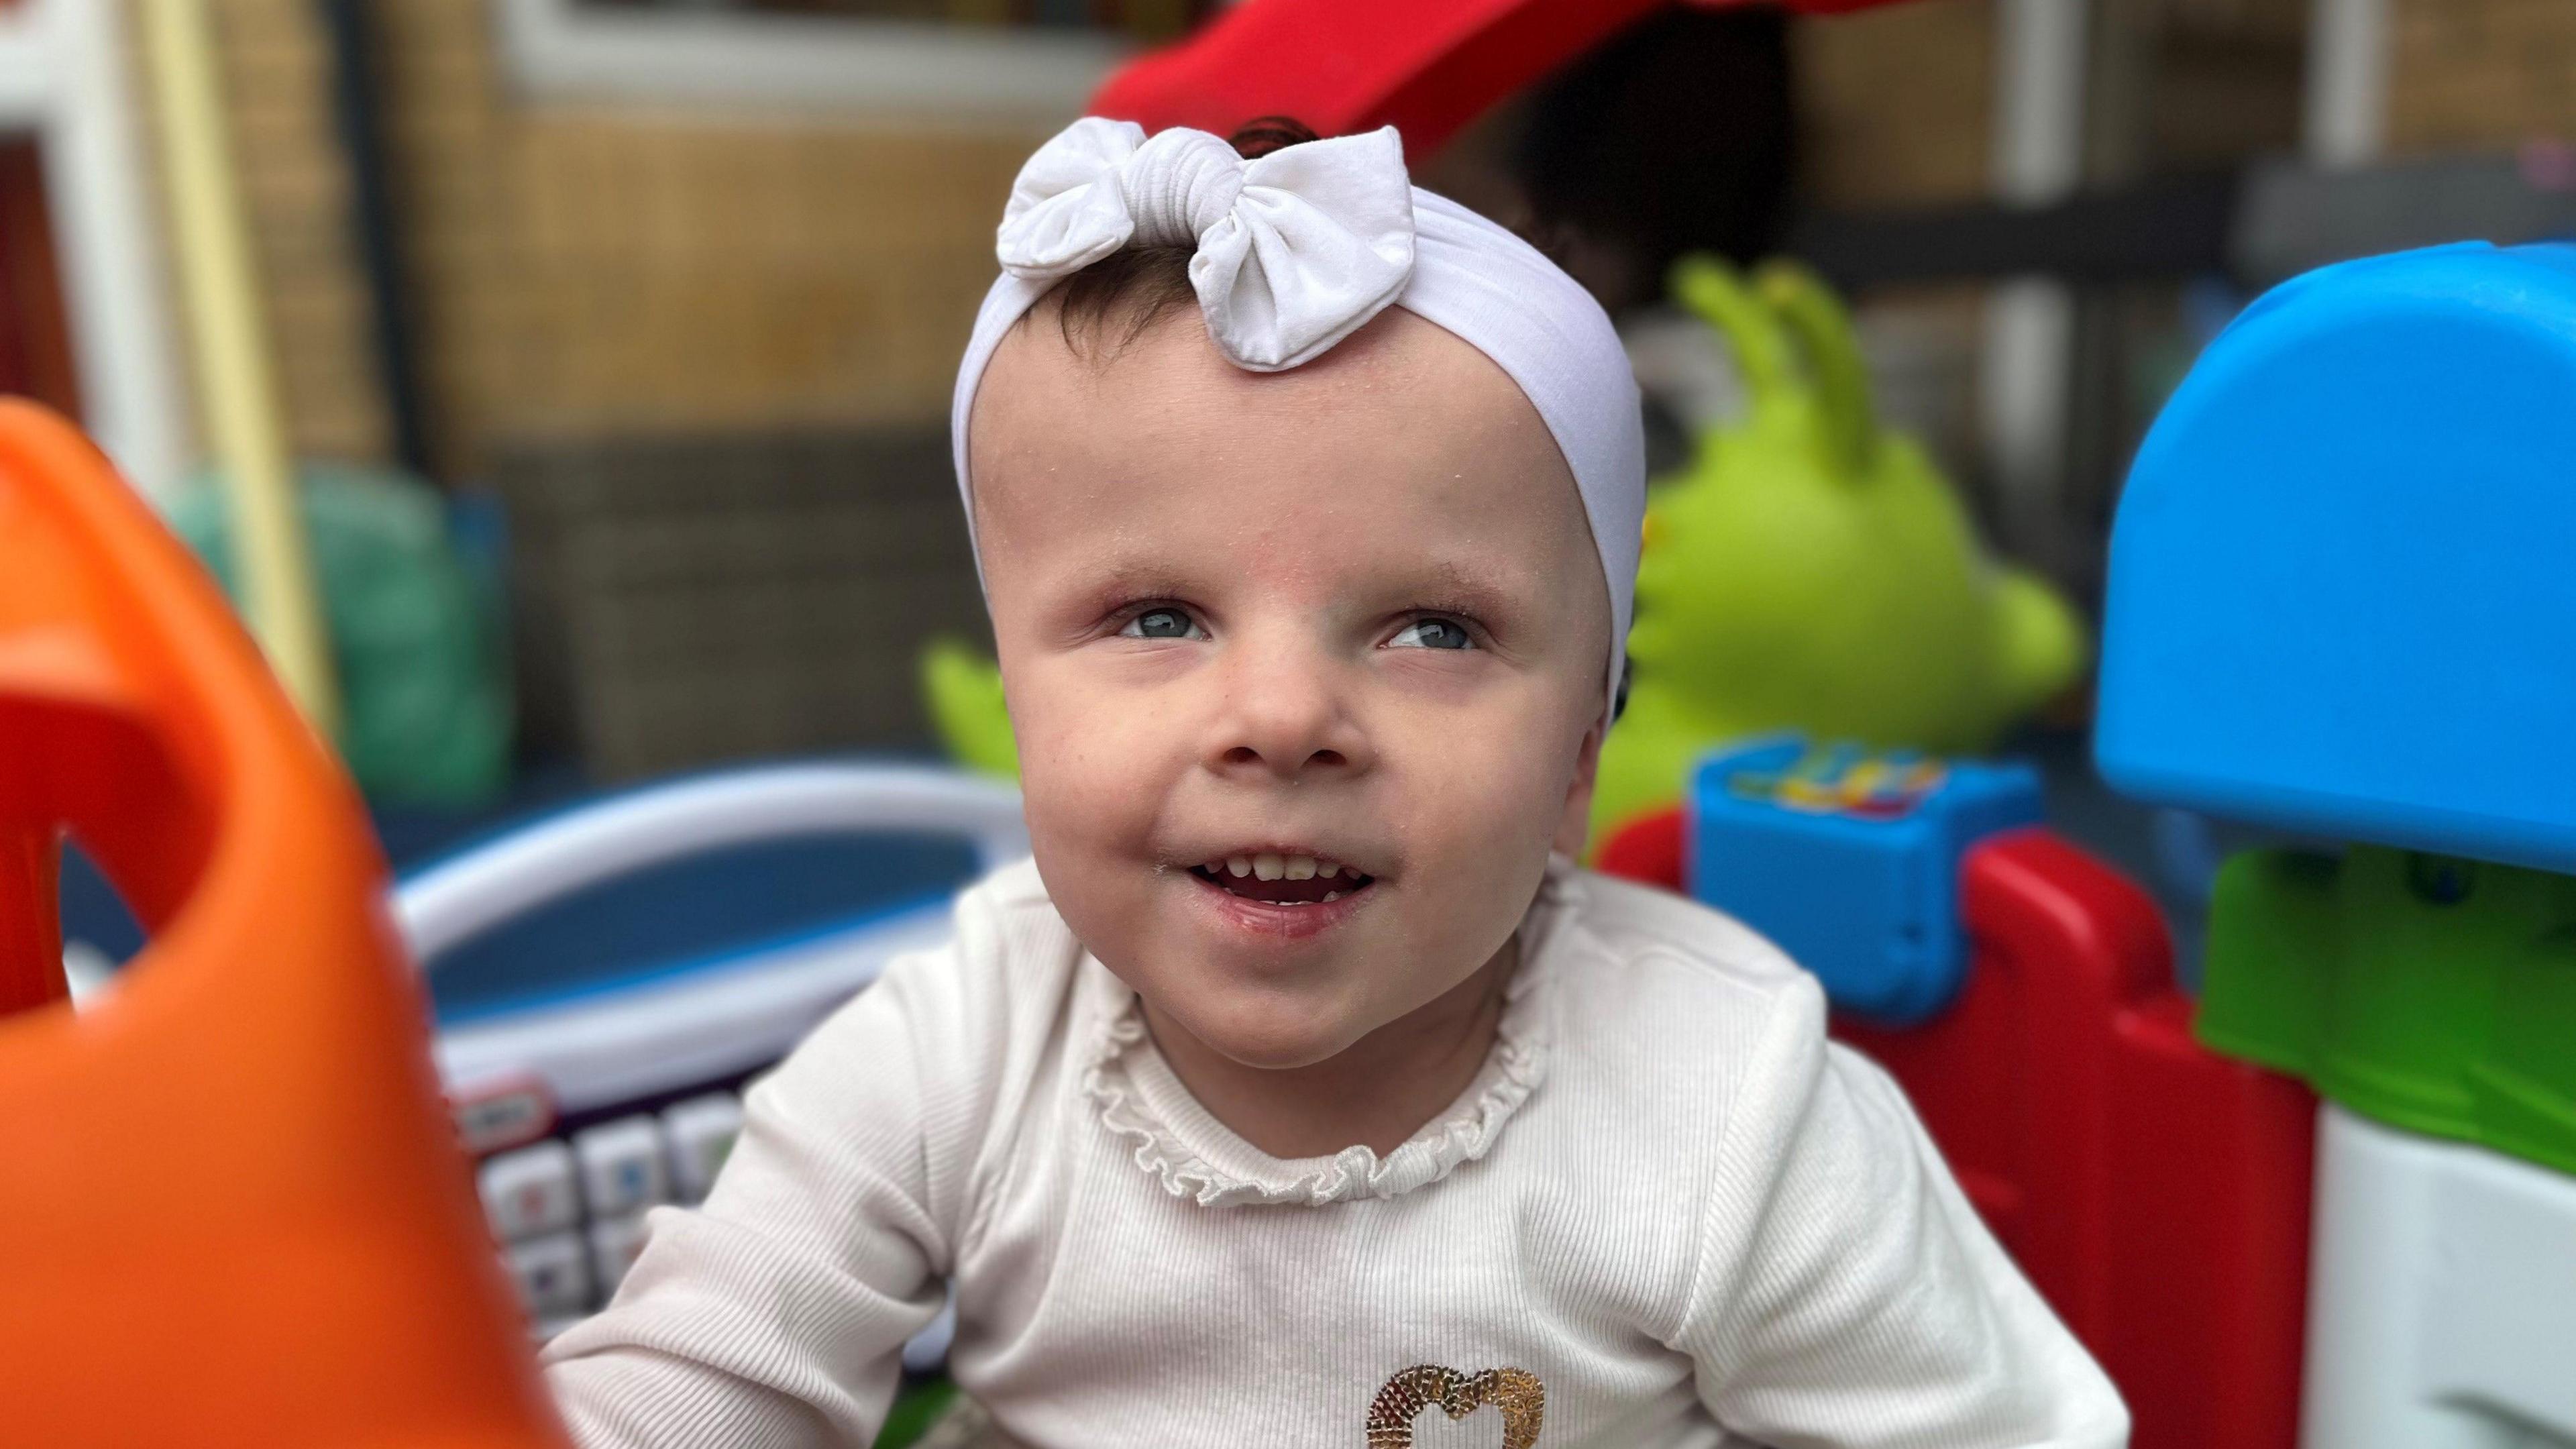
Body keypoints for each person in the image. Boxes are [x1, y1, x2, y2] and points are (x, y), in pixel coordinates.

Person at [540, 115, 2129, 1449]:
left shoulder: (1726, 1110)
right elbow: (688, 1387)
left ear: (1582, 748)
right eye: (1157, 616)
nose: (1284, 717)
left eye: (1434, 628)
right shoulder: (958, 1050)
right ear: (1019, 703)